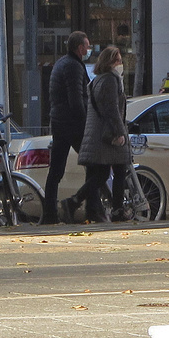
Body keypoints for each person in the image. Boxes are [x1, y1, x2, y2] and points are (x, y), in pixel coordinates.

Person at [74, 45, 131, 223]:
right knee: (116, 171)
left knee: (103, 174)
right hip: (107, 135)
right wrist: (120, 132)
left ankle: (78, 203)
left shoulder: (98, 80)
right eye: (119, 61)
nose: (121, 64)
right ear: (111, 62)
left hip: (97, 134)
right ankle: (116, 210)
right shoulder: (110, 80)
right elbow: (111, 110)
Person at [44, 31, 90, 224]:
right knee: (94, 165)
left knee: (55, 171)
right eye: (87, 47)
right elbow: (76, 100)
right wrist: (87, 122)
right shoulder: (74, 66)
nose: (88, 50)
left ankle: (50, 214)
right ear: (80, 48)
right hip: (72, 125)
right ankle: (89, 207)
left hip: (59, 122)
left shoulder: (61, 63)